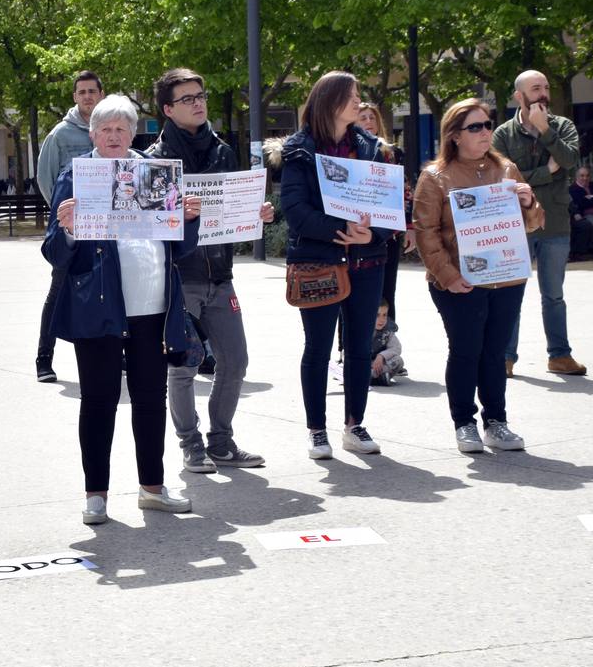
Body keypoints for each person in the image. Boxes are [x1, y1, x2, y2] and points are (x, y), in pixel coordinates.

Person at [43, 96, 201, 524]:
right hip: (100, 308)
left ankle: (152, 487)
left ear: (134, 134)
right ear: (92, 134)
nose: (114, 136)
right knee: (98, 400)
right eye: (106, 129)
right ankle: (96, 495)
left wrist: (187, 220)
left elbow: (181, 251)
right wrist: (69, 230)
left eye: (122, 129)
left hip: (153, 307)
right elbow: (55, 253)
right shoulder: (75, 177)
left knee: (151, 399)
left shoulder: (156, 174)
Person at [145, 67, 273, 473]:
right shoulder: (154, 161)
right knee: (182, 366)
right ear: (168, 109)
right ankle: (191, 444)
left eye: (201, 95)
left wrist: (257, 213)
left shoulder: (222, 150)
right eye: (188, 99)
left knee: (235, 360)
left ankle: (221, 441)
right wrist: (175, 217)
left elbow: (234, 207)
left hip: (220, 274)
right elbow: (147, 228)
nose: (198, 103)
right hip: (180, 278)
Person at [415, 99, 546, 453]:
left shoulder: (506, 169)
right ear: (454, 135)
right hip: (458, 282)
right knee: (465, 350)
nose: (486, 132)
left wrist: (529, 203)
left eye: (488, 124)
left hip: (506, 277)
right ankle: (464, 423)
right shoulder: (435, 177)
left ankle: (496, 422)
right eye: (476, 127)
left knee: (495, 352)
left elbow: (534, 225)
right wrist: (447, 275)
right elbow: (425, 234)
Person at [281, 71, 393, 460]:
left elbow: (390, 205)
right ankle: (316, 430)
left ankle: (354, 424)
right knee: (318, 348)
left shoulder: (371, 147)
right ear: (330, 100)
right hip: (319, 261)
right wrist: (338, 230)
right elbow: (294, 211)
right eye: (352, 96)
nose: (360, 103)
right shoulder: (299, 150)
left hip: (367, 260)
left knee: (360, 346)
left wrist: (372, 234)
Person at [493, 70, 587, 377]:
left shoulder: (563, 127)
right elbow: (505, 179)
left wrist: (546, 130)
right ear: (520, 96)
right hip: (516, 224)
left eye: (546, 86)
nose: (543, 92)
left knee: (554, 295)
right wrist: (548, 171)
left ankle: (559, 355)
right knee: (511, 293)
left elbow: (570, 161)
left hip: (555, 223)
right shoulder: (502, 135)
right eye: (536, 88)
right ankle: (505, 357)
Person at [34, 70, 105, 382]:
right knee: (58, 289)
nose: (87, 96)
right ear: (75, 97)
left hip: (109, 228)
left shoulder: (108, 128)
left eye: (92, 91)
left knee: (110, 290)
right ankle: (43, 359)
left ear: (101, 94)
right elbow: (47, 179)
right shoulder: (60, 135)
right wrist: (63, 217)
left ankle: (119, 354)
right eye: (82, 92)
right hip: (74, 229)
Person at [356, 103, 409, 322]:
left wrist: (411, 228)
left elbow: (405, 192)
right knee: (354, 294)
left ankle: (387, 344)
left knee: (387, 290)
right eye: (363, 117)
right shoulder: (348, 152)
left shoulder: (392, 153)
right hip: (356, 232)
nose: (368, 122)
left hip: (388, 233)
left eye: (372, 118)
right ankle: (348, 349)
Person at [369, 301, 404, 386]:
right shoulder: (362, 329)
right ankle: (372, 377)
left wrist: (381, 356)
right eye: (377, 315)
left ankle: (374, 377)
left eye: (384, 315)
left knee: (398, 360)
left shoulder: (388, 330)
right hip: (364, 362)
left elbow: (396, 347)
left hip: (380, 365)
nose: (382, 319)